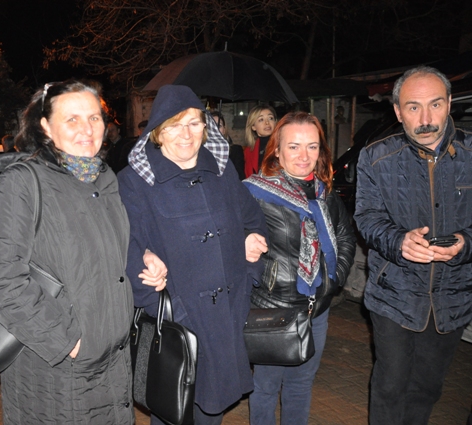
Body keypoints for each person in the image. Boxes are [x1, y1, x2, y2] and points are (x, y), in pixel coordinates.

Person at [0, 80, 163, 424]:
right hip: (57, 368)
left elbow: (104, 251)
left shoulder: (104, 178)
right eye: (72, 119)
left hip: (113, 361)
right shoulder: (22, 183)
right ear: (45, 126)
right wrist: (64, 341)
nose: (87, 129)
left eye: (94, 118)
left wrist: (142, 256)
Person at [118, 84, 269, 425]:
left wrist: (249, 249)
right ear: (158, 133)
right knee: (173, 410)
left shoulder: (222, 170)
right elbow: (125, 245)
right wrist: (160, 302)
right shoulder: (135, 181)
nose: (186, 134)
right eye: (174, 125)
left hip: (227, 315)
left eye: (194, 123)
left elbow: (253, 219)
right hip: (179, 321)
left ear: (206, 127)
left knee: (212, 410)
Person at [354, 66, 472, 425]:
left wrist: (466, 243)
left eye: (435, 104)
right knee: (390, 386)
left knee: (427, 388)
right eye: (413, 107)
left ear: (449, 103)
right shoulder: (375, 157)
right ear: (397, 111)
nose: (426, 119)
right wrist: (399, 241)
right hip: (395, 293)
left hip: (453, 295)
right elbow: (367, 218)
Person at [244, 111, 356, 425]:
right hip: (273, 309)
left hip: (316, 309)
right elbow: (228, 237)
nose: (304, 156)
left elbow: (345, 234)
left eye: (312, 146)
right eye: (293, 146)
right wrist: (243, 243)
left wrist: (334, 278)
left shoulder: (324, 192)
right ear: (276, 150)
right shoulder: (254, 193)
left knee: (301, 384)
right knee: (265, 387)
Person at [244, 106, 277, 178]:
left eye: (270, 118)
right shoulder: (249, 151)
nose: (267, 122)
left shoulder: (283, 145)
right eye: (261, 119)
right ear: (253, 127)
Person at [211, 111, 244, 180]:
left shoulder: (236, 151)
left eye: (219, 126)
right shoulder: (201, 152)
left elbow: (239, 177)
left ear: (224, 129)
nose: (216, 129)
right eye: (212, 126)